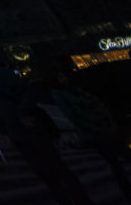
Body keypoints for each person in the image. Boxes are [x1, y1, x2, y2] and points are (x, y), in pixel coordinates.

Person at [0, 50, 93, 205]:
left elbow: (25, 91)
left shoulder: (2, 74)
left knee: (56, 165)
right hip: (16, 131)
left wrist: (25, 113)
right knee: (43, 171)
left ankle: (81, 200)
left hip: (29, 125)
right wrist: (4, 132)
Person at [50, 65, 131, 201]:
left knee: (119, 159)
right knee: (117, 161)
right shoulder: (64, 94)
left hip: (101, 128)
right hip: (96, 132)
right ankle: (127, 190)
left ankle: (127, 190)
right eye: (60, 77)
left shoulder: (74, 91)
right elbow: (75, 116)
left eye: (63, 76)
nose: (64, 79)